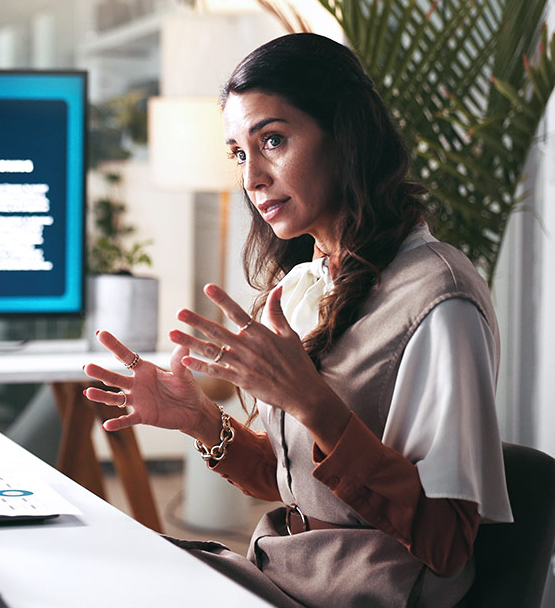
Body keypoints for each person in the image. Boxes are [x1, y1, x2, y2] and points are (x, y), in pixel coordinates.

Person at [82, 33, 512, 607]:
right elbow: (299, 488)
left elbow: (448, 541)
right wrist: (201, 420)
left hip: (367, 594)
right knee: (99, 562)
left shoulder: (440, 298)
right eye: (239, 153)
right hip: (285, 569)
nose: (251, 178)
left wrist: (314, 401)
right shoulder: (305, 284)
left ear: (346, 136)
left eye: (274, 141)